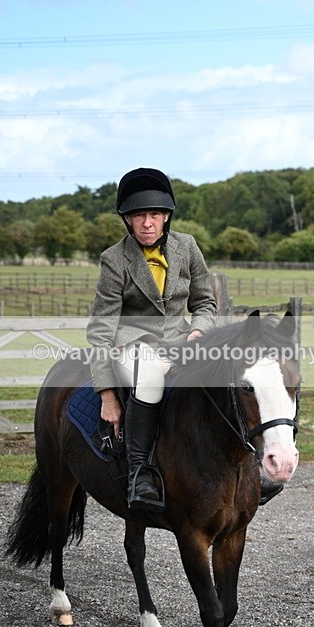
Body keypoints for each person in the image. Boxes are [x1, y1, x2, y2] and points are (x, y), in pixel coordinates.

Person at [86, 167, 217, 512]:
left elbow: (204, 301)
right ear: (127, 220)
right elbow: (101, 329)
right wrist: (107, 394)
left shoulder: (186, 246)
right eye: (139, 216)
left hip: (182, 342)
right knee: (150, 378)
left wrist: (199, 331)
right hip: (131, 347)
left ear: (166, 217)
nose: (147, 223)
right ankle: (139, 473)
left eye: (154, 215)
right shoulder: (114, 260)